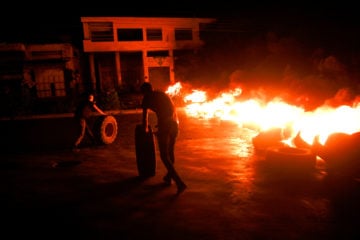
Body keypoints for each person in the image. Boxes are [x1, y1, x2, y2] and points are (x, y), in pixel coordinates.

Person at [140, 82, 187, 195]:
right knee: (170, 153)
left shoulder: (147, 98)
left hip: (165, 126)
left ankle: (179, 183)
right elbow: (171, 110)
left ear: (144, 92)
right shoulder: (162, 93)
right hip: (175, 124)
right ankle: (169, 177)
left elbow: (145, 119)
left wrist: (146, 130)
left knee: (164, 156)